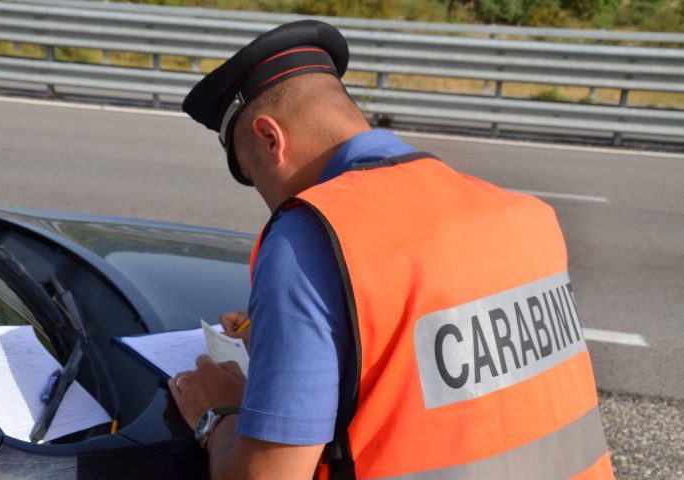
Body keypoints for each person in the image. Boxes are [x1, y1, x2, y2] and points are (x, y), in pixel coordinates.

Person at [171, 20, 614, 480]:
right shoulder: (524, 216)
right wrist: (306, 336)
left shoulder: (311, 236)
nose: (267, 198)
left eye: (254, 173)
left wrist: (217, 415)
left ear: (270, 138)